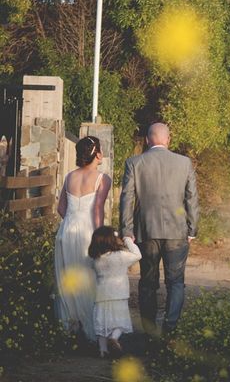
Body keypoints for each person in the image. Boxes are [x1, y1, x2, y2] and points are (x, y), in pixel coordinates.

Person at [120, 123, 199, 336]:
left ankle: (149, 330)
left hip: (146, 231)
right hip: (177, 231)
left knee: (147, 283)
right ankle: (170, 328)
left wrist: (126, 229)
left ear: (147, 140)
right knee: (176, 283)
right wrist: (192, 229)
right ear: (169, 139)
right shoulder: (184, 163)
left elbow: (127, 198)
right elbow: (191, 198)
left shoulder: (134, 163)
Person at [54, 136, 112, 342]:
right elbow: (98, 210)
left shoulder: (69, 176)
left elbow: (61, 208)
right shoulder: (102, 179)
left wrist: (72, 221)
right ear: (97, 154)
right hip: (88, 232)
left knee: (67, 277)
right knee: (89, 279)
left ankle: (71, 328)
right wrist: (101, 238)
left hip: (66, 230)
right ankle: (92, 330)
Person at [88, 226, 141, 358]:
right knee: (120, 321)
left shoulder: (96, 260)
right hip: (119, 293)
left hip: (101, 295)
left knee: (102, 321)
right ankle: (114, 338)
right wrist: (128, 240)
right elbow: (138, 255)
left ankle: (102, 350)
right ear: (112, 240)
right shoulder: (120, 256)